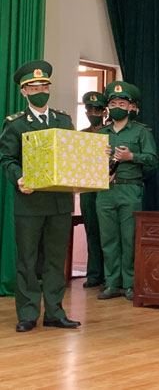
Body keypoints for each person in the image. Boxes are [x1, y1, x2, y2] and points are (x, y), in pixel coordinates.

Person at [0, 60, 80, 331]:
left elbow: (73, 155)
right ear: (24, 92)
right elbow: (7, 159)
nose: (39, 90)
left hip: (59, 202)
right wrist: (18, 178)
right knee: (28, 259)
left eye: (44, 85)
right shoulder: (15, 124)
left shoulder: (64, 120)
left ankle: (55, 312)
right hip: (29, 201)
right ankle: (27, 313)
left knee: (57, 260)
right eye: (33, 87)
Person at [96, 81, 157, 301]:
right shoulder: (101, 133)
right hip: (105, 190)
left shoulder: (141, 132)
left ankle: (130, 283)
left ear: (131, 107)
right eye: (113, 103)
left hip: (130, 189)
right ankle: (112, 283)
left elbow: (152, 160)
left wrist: (132, 157)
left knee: (129, 239)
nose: (117, 107)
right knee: (108, 239)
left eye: (122, 103)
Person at [80, 91, 108, 289]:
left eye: (97, 109)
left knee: (107, 233)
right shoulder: (81, 135)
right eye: (89, 109)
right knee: (91, 231)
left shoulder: (110, 133)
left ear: (105, 111)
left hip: (106, 187)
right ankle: (94, 274)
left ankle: (109, 275)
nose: (93, 113)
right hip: (87, 188)